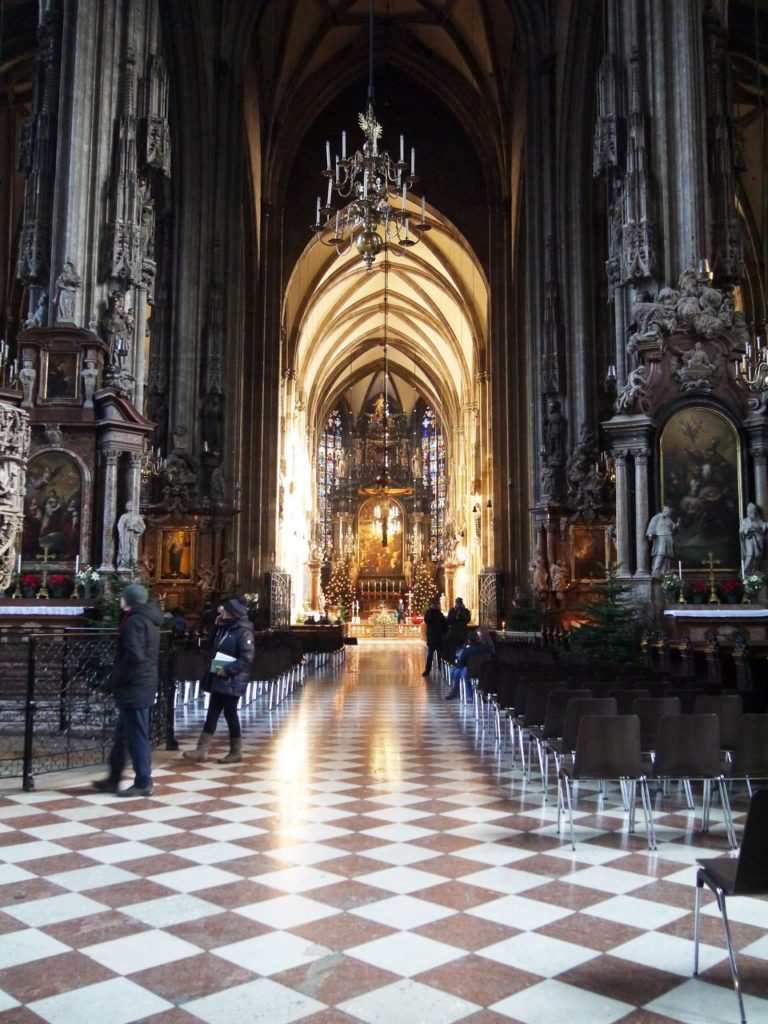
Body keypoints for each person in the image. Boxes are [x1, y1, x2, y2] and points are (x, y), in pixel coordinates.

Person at [92, 584, 163, 797]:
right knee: (122, 735)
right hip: (141, 683)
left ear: (128, 600)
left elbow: (133, 657)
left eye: (122, 596)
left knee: (137, 736)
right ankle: (114, 778)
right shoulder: (148, 620)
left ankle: (144, 781)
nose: (119, 599)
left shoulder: (134, 621)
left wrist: (114, 680)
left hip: (135, 686)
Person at [184, 596, 255, 764]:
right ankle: (202, 750)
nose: (221, 611)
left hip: (232, 678)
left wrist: (228, 670)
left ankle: (236, 751)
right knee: (213, 712)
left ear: (232, 613)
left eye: (225, 610)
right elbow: (212, 646)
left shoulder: (243, 631)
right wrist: (216, 626)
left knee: (230, 713)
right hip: (220, 677)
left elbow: (247, 658)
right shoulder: (226, 628)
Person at [445, 628, 494, 701]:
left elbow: (461, 661)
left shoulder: (468, 649)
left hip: (471, 671)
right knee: (457, 671)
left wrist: (458, 663)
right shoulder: (488, 648)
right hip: (485, 671)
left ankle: (464, 694)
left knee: (457, 671)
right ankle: (459, 693)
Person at [646, 505, 678, 576]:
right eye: (667, 512)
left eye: (669, 512)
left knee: (667, 555)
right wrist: (650, 534)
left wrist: (677, 525)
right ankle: (655, 570)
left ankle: (664, 570)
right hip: (660, 536)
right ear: (664, 511)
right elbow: (652, 525)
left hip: (668, 536)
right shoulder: (657, 517)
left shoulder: (668, 519)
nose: (668, 513)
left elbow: (673, 526)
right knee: (660, 553)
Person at [740, 502, 767, 577]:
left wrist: (765, 526)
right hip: (750, 540)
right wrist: (748, 529)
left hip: (758, 540)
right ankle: (745, 573)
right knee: (750, 555)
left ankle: (756, 571)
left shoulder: (758, 520)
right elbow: (741, 531)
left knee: (758, 555)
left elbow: (763, 527)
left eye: (753, 512)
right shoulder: (745, 521)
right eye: (750, 512)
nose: (752, 513)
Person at [422, 596, 447, 676]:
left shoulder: (430, 613)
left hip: (433, 637)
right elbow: (445, 625)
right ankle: (441, 670)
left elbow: (426, 621)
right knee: (439, 655)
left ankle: (427, 670)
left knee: (430, 655)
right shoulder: (439, 614)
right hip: (438, 637)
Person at [117, 501, 145, 568]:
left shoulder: (137, 517)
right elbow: (120, 526)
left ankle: (133, 565)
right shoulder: (124, 516)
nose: (130, 507)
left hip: (133, 535)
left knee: (134, 549)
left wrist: (135, 528)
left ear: (134, 507)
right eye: (128, 505)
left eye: (131, 505)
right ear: (126, 507)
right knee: (125, 549)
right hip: (125, 535)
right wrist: (123, 532)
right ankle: (124, 564)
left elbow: (142, 527)